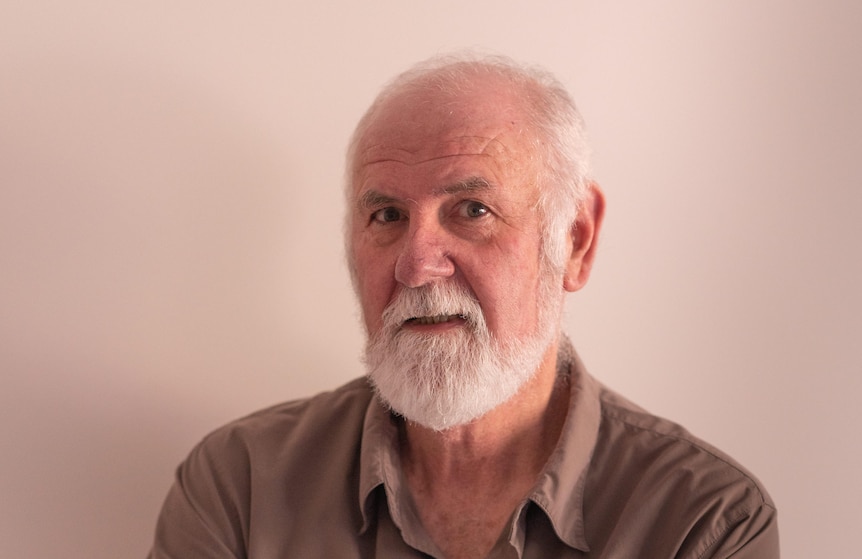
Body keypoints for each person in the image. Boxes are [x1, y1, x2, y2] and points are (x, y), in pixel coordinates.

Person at [148, 54, 779, 558]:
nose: (417, 264)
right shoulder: (240, 486)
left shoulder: (704, 524)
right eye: (387, 215)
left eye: (473, 211)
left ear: (575, 241)